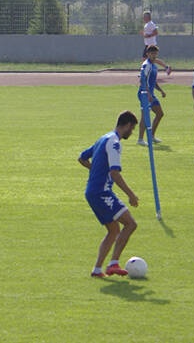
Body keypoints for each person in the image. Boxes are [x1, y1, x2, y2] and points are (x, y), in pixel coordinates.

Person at [78, 110, 140, 278]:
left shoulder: (103, 138)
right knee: (130, 224)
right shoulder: (114, 143)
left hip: (91, 191)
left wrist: (96, 171)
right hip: (101, 192)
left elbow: (82, 158)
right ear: (127, 125)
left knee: (113, 230)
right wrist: (131, 194)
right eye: (132, 129)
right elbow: (114, 173)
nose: (132, 132)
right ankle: (113, 263)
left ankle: (97, 270)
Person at [136, 45, 167, 145]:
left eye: (155, 53)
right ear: (147, 54)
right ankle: (140, 139)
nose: (154, 55)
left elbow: (153, 81)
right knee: (145, 116)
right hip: (144, 93)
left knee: (160, 113)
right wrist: (148, 94)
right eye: (152, 53)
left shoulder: (154, 66)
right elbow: (142, 80)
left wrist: (161, 90)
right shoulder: (146, 65)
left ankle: (151, 136)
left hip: (151, 94)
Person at [141, 11, 172, 75]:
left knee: (145, 59)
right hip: (148, 44)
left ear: (147, 17)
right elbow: (149, 33)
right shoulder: (147, 24)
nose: (143, 18)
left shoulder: (151, 24)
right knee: (151, 59)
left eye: (144, 17)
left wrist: (148, 36)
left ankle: (146, 72)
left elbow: (156, 32)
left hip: (150, 45)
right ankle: (166, 67)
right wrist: (144, 35)